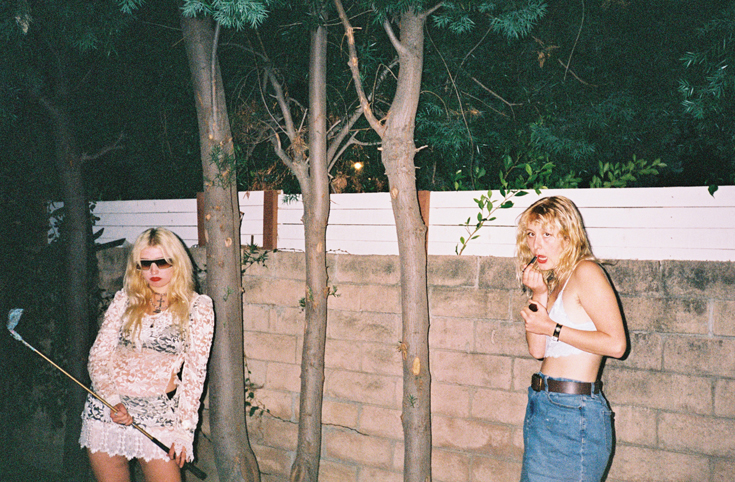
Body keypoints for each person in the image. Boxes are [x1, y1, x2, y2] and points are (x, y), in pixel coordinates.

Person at [79, 228, 214, 482]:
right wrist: (112, 401)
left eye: (162, 262)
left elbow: (196, 375)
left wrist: (184, 432)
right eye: (145, 263)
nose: (153, 270)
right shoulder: (124, 300)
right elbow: (97, 357)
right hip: (108, 411)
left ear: (177, 262)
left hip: (158, 416)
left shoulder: (198, 307)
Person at [516, 196, 627, 482]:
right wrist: (539, 293)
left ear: (568, 237)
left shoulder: (586, 272)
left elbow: (616, 345)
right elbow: (537, 350)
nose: (536, 245)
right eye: (531, 234)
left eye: (547, 234)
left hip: (574, 411)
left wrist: (553, 327)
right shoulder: (555, 281)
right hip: (542, 403)